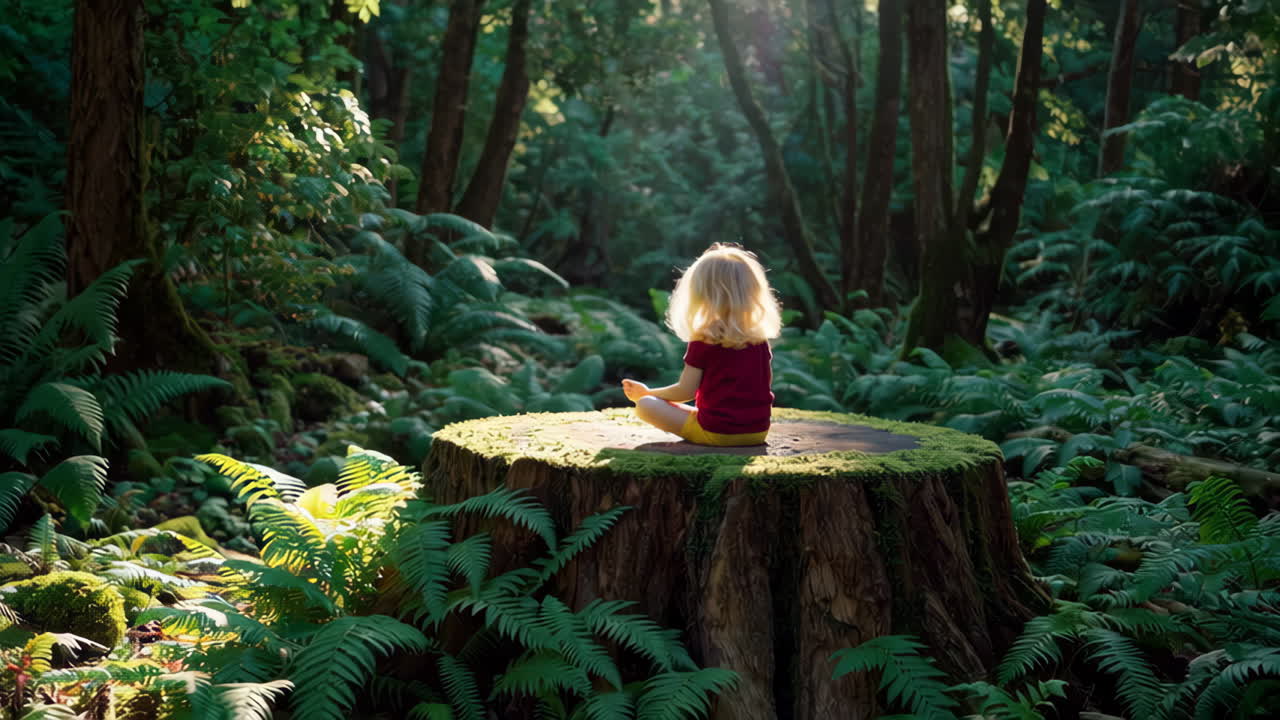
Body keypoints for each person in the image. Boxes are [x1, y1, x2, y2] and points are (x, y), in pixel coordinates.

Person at [621, 243, 780, 446]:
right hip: (757, 431)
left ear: (700, 294)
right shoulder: (758, 338)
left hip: (716, 432)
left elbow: (685, 391)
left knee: (646, 405)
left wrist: (647, 393)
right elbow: (765, 383)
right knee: (691, 411)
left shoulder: (705, 338)